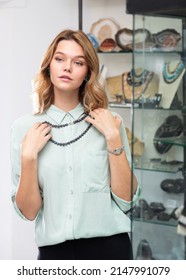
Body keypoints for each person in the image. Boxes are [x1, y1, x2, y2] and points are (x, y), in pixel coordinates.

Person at [10, 29, 140, 260]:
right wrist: (28, 158)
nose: (67, 67)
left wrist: (113, 138)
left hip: (111, 251)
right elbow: (29, 212)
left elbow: (127, 200)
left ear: (88, 73)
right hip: (54, 255)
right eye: (60, 59)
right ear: (49, 65)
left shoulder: (110, 123)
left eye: (78, 62)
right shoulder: (24, 129)